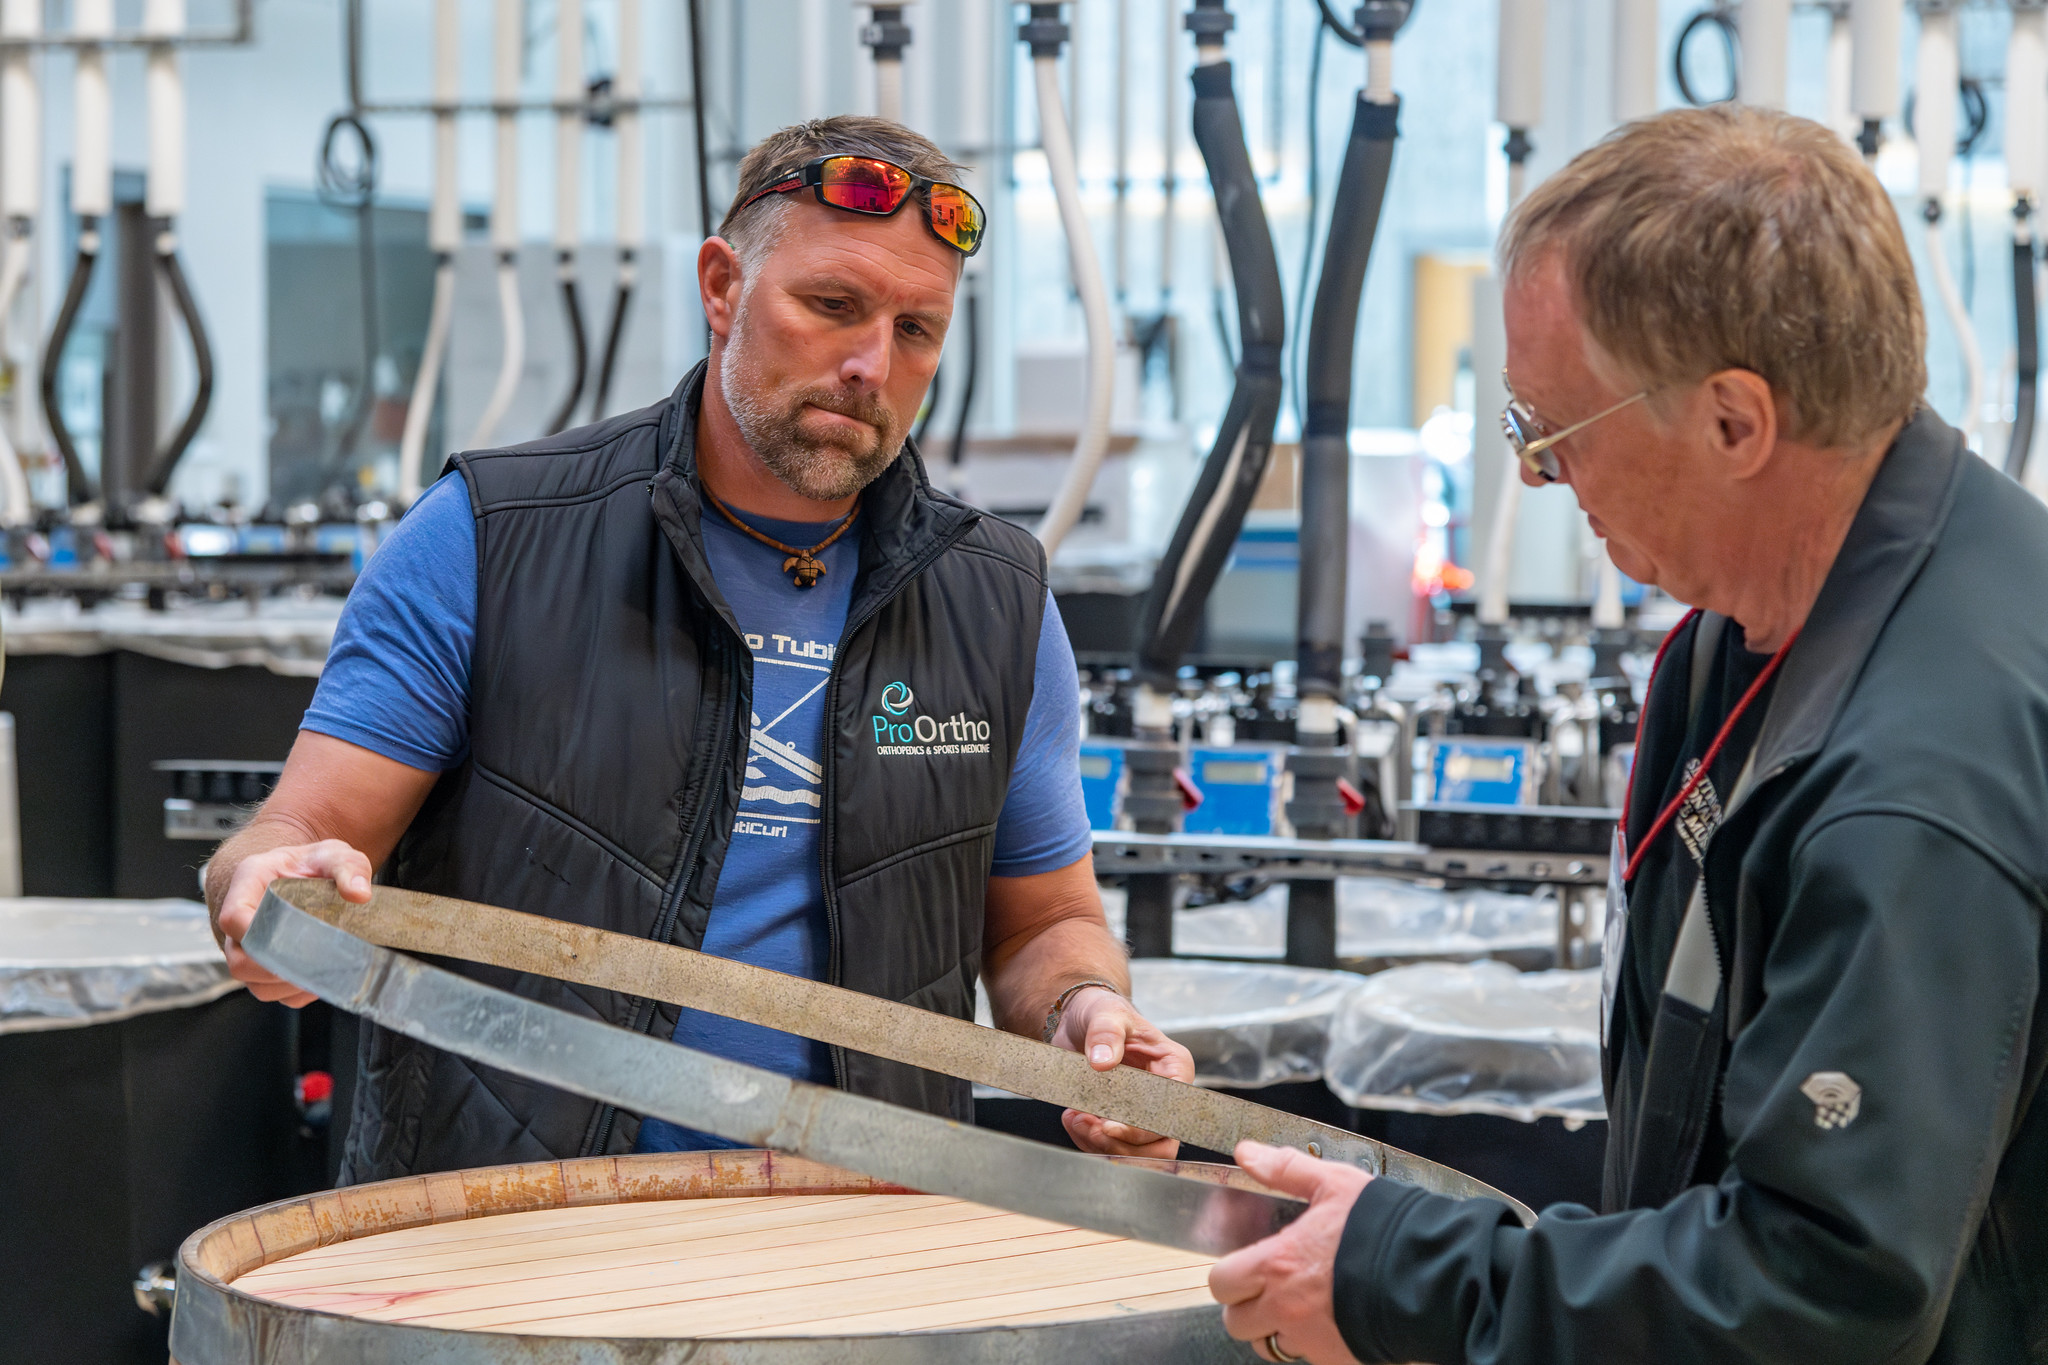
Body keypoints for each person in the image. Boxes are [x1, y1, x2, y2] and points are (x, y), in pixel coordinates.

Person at [1209, 105, 2047, 1364]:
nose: (1542, 483)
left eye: (1552, 436)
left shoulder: (1912, 782)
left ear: (1733, 423)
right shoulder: (1769, 631)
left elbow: (1823, 1287)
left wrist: (1409, 1278)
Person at [207, 115, 1194, 1181]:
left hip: (861, 1240)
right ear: (721, 287)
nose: (870, 364)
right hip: (514, 1239)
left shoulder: (993, 599)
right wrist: (273, 887)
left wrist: (1090, 1015)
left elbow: (1042, 921)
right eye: (829, 306)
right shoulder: (489, 539)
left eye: (917, 330)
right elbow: (294, 832)